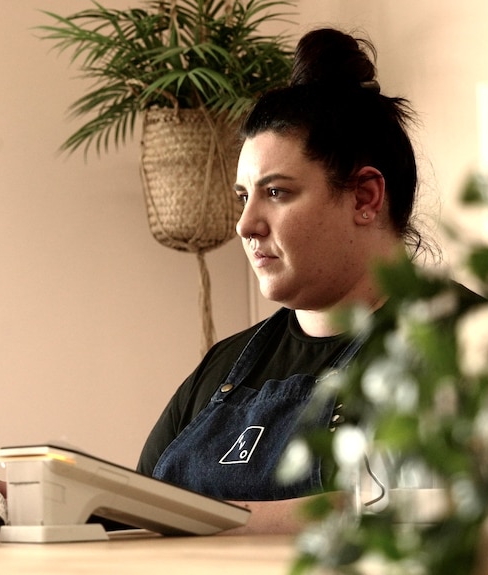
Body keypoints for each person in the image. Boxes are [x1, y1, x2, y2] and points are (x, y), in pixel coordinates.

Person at [135, 27, 431, 534]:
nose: (245, 224)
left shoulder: (462, 346)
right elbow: (138, 515)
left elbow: (429, 512)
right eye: (242, 195)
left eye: (276, 192)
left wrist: (205, 520)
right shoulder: (222, 367)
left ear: (364, 197)